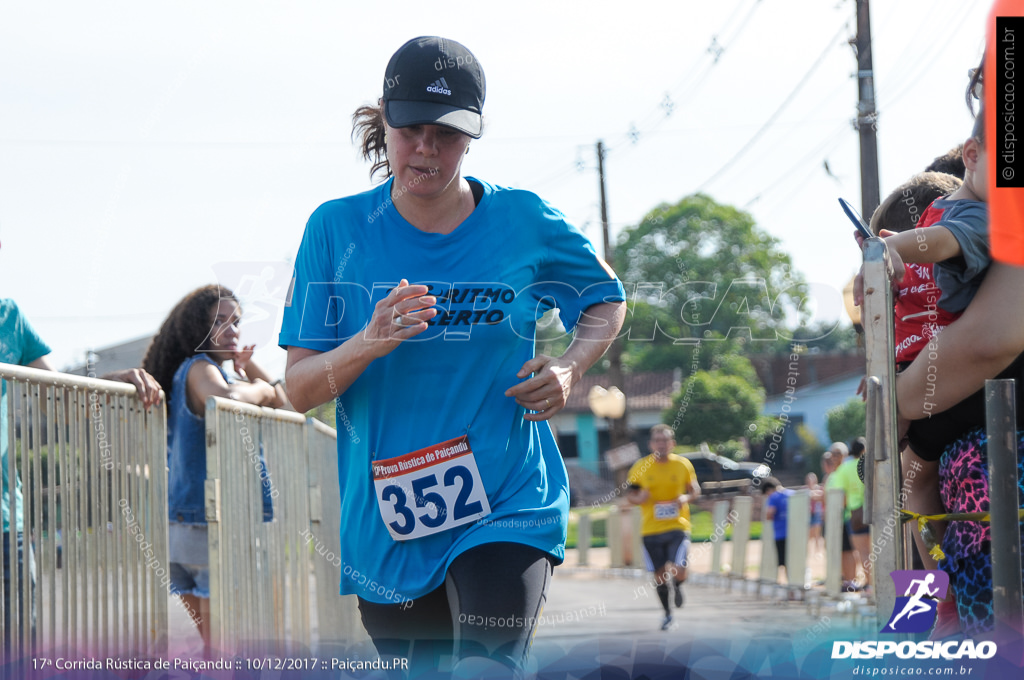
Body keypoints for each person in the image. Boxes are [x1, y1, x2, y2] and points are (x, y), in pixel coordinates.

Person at [278, 36, 626, 678]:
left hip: (507, 496)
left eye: (447, 133)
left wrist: (571, 366)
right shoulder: (335, 230)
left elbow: (606, 300)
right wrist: (369, 341)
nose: (426, 149)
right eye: (410, 130)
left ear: (473, 136)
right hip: (388, 516)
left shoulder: (524, 220)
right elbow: (297, 390)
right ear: (383, 122)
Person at [893, 37, 1024, 638]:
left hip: (967, 417)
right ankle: (921, 615)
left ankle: (917, 616)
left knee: (909, 484)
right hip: (956, 408)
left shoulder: (971, 214)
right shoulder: (965, 206)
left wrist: (887, 409)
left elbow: (989, 341)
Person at [1, 290, 161, 656]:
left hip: (8, 521)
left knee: (22, 647)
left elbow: (60, 401)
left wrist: (110, 383)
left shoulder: (9, 316)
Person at [141, 285, 288, 655]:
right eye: (219, 321)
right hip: (206, 528)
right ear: (196, 329)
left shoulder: (201, 371)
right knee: (223, 646)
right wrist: (262, 390)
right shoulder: (200, 368)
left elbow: (289, 409)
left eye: (236, 321)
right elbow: (229, 401)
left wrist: (247, 366)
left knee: (215, 644)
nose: (232, 329)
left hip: (187, 529)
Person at [626, 424, 701, 631]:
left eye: (665, 440)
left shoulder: (683, 464)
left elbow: (695, 489)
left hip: (678, 526)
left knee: (680, 569)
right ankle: (668, 614)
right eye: (657, 440)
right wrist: (639, 498)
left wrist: (685, 497)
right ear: (651, 444)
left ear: (672, 444)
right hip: (651, 530)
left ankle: (677, 585)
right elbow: (630, 495)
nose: (661, 444)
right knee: (659, 576)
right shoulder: (640, 467)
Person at [824, 441, 867, 591]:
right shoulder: (863, 465)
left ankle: (865, 584)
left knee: (859, 552)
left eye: (837, 454)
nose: (834, 457)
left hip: (852, 515)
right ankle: (862, 583)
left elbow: (841, 497)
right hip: (860, 514)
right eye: (832, 454)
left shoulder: (845, 469)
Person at [762, 477, 793, 582]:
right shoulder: (791, 494)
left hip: (780, 533)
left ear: (768, 490)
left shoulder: (773, 497)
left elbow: (769, 514)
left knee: (782, 561)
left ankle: (785, 581)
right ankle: (793, 580)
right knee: (793, 559)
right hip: (794, 533)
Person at [805, 472, 824, 556]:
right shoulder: (805, 489)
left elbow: (822, 497)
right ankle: (808, 552)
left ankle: (818, 551)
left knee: (817, 534)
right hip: (808, 514)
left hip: (817, 513)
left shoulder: (819, 488)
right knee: (808, 534)